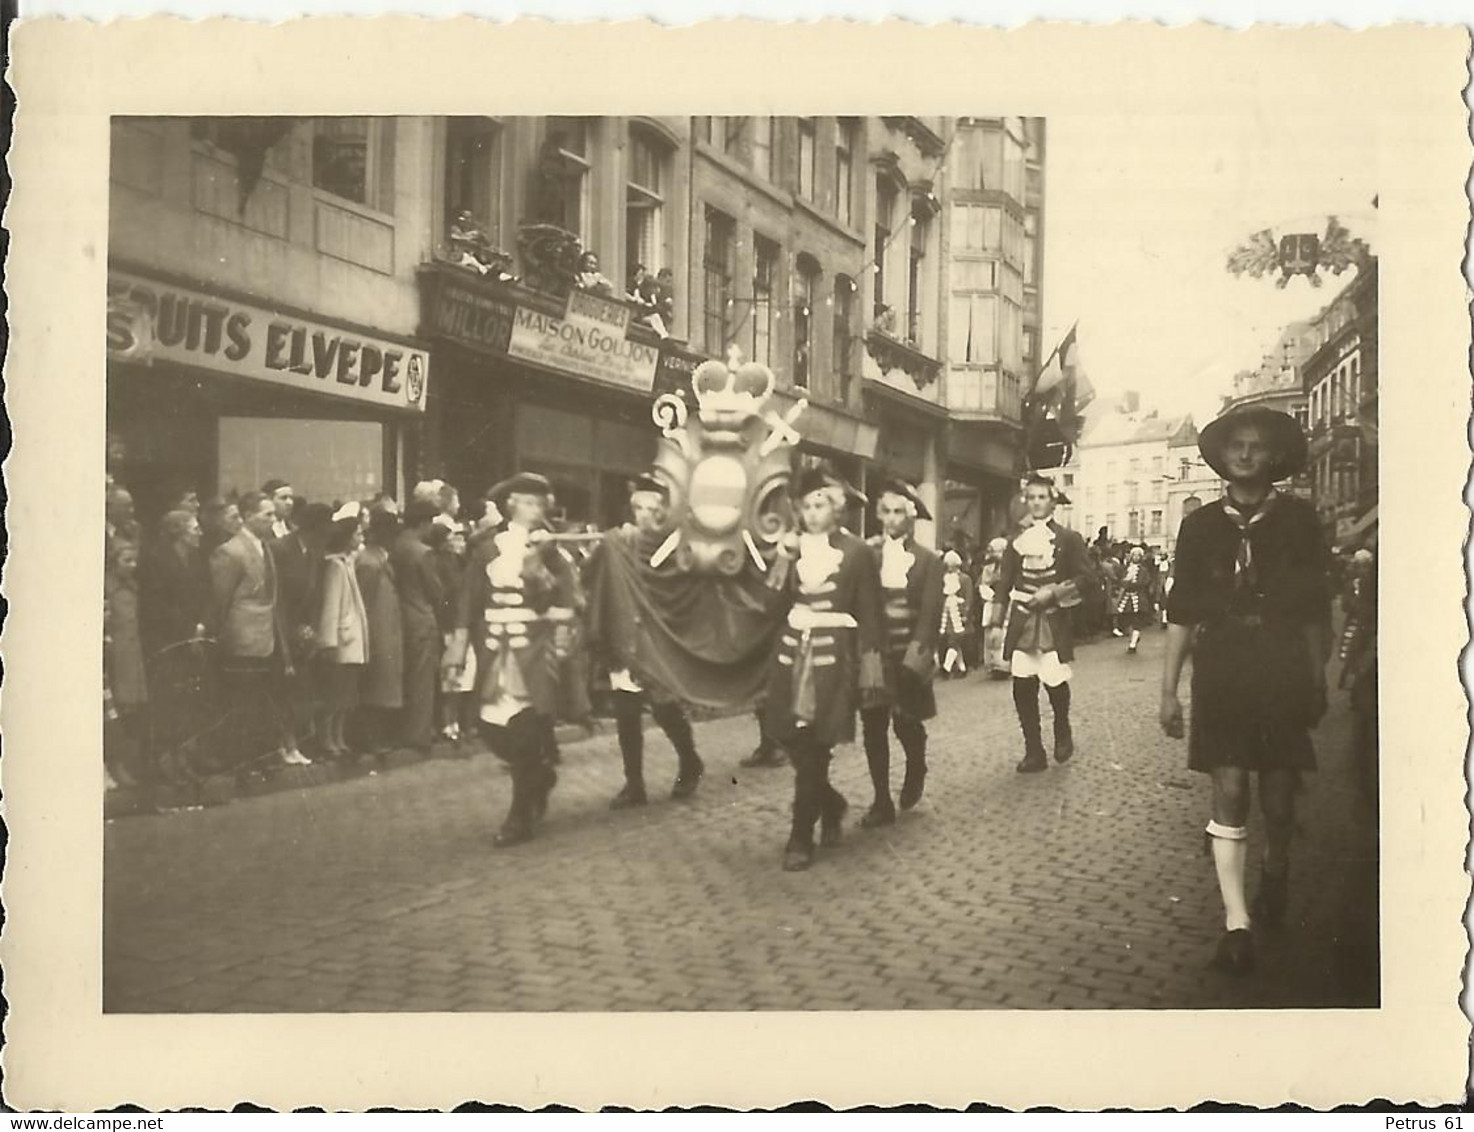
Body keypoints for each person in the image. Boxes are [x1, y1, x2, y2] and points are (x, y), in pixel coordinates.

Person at [1160, 406, 1331, 976]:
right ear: (1223, 455)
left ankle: (1276, 865)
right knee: (1230, 787)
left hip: (1281, 668)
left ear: (1274, 457)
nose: (1247, 453)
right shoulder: (1199, 527)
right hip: (1224, 669)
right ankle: (1236, 923)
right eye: (1237, 444)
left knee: (1278, 798)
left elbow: (1313, 612)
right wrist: (1168, 692)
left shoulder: (1301, 522)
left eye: (1258, 446)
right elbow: (1181, 614)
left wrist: (1315, 674)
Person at [445, 472, 578, 847]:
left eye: (540, 503)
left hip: (532, 650)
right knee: (491, 727)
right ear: (511, 506)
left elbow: (568, 595)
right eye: (528, 502)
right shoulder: (487, 548)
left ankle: (519, 816)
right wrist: (458, 647)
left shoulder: (552, 549)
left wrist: (557, 619)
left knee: (524, 728)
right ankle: (538, 776)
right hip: (491, 649)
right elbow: (469, 598)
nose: (535, 510)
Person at [763, 467, 885, 872]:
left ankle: (801, 837)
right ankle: (831, 803)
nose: (813, 513)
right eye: (807, 506)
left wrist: (870, 669)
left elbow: (870, 613)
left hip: (834, 660)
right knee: (786, 735)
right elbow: (771, 605)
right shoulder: (789, 549)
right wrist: (781, 559)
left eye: (821, 505)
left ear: (837, 510)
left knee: (815, 746)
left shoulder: (857, 553)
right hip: (791, 654)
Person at [593, 475, 706, 809]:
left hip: (658, 640)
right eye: (637, 508)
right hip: (627, 637)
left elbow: (685, 590)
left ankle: (690, 761)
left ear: (663, 513)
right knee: (626, 712)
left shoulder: (675, 546)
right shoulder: (617, 543)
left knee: (664, 708)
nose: (642, 516)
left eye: (651, 509)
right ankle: (634, 784)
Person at [858, 481, 943, 827]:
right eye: (886, 512)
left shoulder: (928, 560)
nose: (891, 520)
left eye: (899, 513)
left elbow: (929, 614)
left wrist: (916, 659)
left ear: (910, 518)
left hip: (907, 652)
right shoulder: (866, 554)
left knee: (906, 722)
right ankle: (881, 800)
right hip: (874, 653)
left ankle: (916, 763)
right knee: (873, 725)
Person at [209, 491, 308, 771]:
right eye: (267, 515)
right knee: (243, 700)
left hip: (268, 636)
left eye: (273, 515)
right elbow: (221, 600)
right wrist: (223, 635)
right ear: (248, 516)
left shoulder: (266, 548)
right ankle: (240, 760)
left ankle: (259, 756)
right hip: (242, 637)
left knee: (263, 699)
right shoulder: (230, 551)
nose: (272, 520)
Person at [998, 473, 1088, 774]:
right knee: (1022, 685)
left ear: (1053, 502)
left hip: (1053, 620)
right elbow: (1005, 581)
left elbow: (1088, 579)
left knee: (1054, 680)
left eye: (1042, 497)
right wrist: (997, 622)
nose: (1036, 503)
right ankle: (1033, 750)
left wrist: (1054, 592)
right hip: (1022, 620)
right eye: (1032, 498)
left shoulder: (1068, 539)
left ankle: (1062, 728)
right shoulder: (1015, 540)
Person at [139, 509, 214, 782]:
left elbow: (208, 593)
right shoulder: (156, 560)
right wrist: (188, 630)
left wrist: (201, 626)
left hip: (195, 636)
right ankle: (167, 761)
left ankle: (186, 758)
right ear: (177, 531)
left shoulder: (196, 558)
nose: (199, 534)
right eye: (194, 529)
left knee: (190, 699)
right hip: (169, 640)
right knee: (170, 700)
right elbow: (157, 604)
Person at [312, 503, 370, 761]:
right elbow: (331, 606)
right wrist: (328, 641)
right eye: (357, 534)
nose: (361, 538)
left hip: (352, 639)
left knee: (346, 696)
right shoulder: (335, 566)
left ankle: (339, 737)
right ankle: (328, 738)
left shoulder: (347, 563)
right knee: (334, 696)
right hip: (342, 639)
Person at [273, 501, 332, 757]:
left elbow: (315, 593)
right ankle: (282, 743)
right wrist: (292, 629)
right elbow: (279, 596)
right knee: (284, 690)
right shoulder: (281, 549)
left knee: (301, 691)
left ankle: (294, 741)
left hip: (303, 630)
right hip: (282, 629)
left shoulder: (314, 553)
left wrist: (310, 627)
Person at [392, 498, 446, 753]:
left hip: (399, 616)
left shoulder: (396, 546)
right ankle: (418, 733)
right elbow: (435, 590)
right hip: (422, 617)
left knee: (404, 677)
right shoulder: (422, 552)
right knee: (422, 679)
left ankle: (402, 730)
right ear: (423, 523)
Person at [355, 503, 405, 757]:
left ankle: (380, 735)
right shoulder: (368, 561)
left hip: (389, 628)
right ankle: (370, 738)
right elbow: (364, 600)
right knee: (376, 685)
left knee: (386, 683)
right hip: (377, 629)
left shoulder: (381, 557)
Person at [104, 538, 149, 787]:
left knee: (132, 709)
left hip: (133, 653)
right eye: (126, 561)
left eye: (134, 560)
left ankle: (131, 764)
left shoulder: (133, 586)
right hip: (116, 653)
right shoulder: (108, 588)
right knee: (116, 709)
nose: (132, 565)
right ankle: (116, 764)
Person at [977, 537, 1011, 678]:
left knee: (1004, 632)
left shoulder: (1010, 567)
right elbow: (983, 584)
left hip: (1006, 602)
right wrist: (989, 594)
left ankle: (1004, 664)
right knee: (990, 632)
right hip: (991, 602)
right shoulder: (988, 568)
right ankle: (992, 663)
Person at [938, 550, 975, 678]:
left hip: (959, 614)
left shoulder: (965, 579)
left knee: (955, 640)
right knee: (954, 641)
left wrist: (966, 614)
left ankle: (947, 667)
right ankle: (962, 668)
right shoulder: (944, 578)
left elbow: (969, 597)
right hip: (948, 615)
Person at [1115, 546, 1154, 653]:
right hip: (1127, 598)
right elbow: (1121, 581)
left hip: (1139, 597)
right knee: (1126, 619)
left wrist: (1131, 584)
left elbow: (1144, 583)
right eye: (1134, 555)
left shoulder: (1143, 570)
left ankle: (1132, 644)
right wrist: (1126, 583)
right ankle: (1134, 637)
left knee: (1137, 620)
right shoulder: (1125, 569)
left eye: (1138, 555)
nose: (1136, 557)